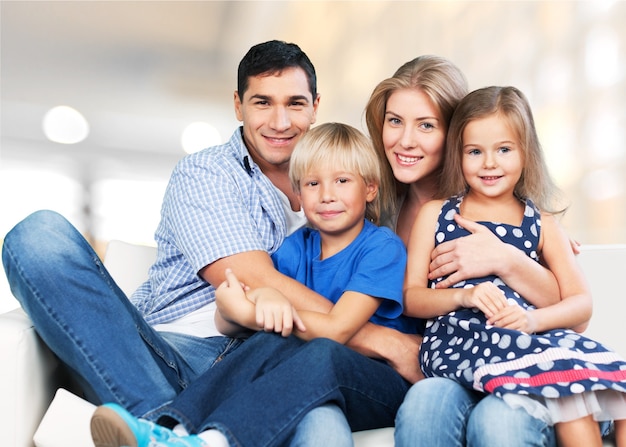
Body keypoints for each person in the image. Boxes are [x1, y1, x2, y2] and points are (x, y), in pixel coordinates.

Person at [1, 40, 415, 447]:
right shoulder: (208, 173)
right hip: (165, 355)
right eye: (262, 102)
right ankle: (160, 419)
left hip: (271, 362)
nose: (280, 121)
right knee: (39, 235)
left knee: (292, 357)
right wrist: (381, 340)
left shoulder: (346, 197)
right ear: (238, 105)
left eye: (294, 103)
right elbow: (252, 279)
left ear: (315, 105)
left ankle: (161, 432)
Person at [89, 122, 421, 447]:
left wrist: (256, 312)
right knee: (268, 342)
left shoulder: (381, 247)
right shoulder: (296, 247)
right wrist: (250, 302)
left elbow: (336, 331)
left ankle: (211, 442)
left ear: (370, 189)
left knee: (316, 346)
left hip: (379, 384)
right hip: (309, 380)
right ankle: (171, 432)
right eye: (313, 184)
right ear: (298, 193)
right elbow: (237, 319)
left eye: (342, 181)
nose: (327, 195)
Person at [404, 85, 626, 447]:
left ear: (526, 153)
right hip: (457, 348)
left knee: (585, 388)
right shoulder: (437, 214)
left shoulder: (543, 224)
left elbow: (580, 304)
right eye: (475, 151)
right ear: (457, 155)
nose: (489, 163)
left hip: (522, 346)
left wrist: (532, 320)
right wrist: (466, 296)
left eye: (504, 149)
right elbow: (412, 297)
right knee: (428, 406)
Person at [363, 56, 563, 446]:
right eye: (395, 121)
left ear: (456, 133)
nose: (405, 140)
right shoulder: (375, 209)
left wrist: (505, 258)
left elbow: (568, 300)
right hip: (438, 368)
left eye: (426, 125)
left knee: (499, 421)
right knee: (425, 403)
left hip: (513, 358)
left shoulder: (512, 210)